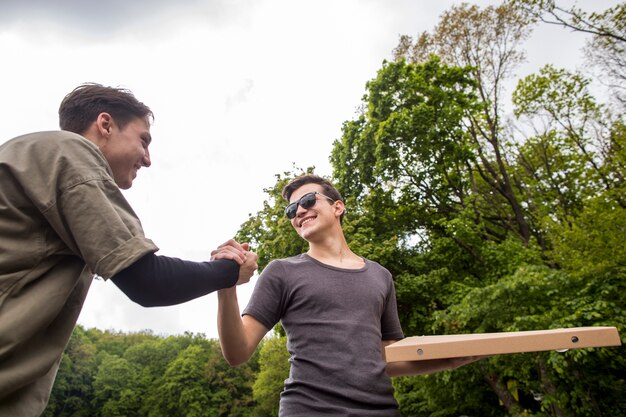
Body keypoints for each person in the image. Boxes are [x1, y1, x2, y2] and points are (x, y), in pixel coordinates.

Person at [0, 83, 258, 416]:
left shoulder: (23, 154)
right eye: (143, 140)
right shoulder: (69, 153)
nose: (148, 160)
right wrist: (230, 271)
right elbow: (147, 281)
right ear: (105, 125)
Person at [214, 174, 480, 416]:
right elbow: (237, 352)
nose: (300, 211)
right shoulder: (282, 272)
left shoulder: (380, 276)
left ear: (338, 207)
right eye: (292, 210)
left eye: (308, 200)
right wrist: (226, 284)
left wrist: (448, 360)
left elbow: (386, 357)